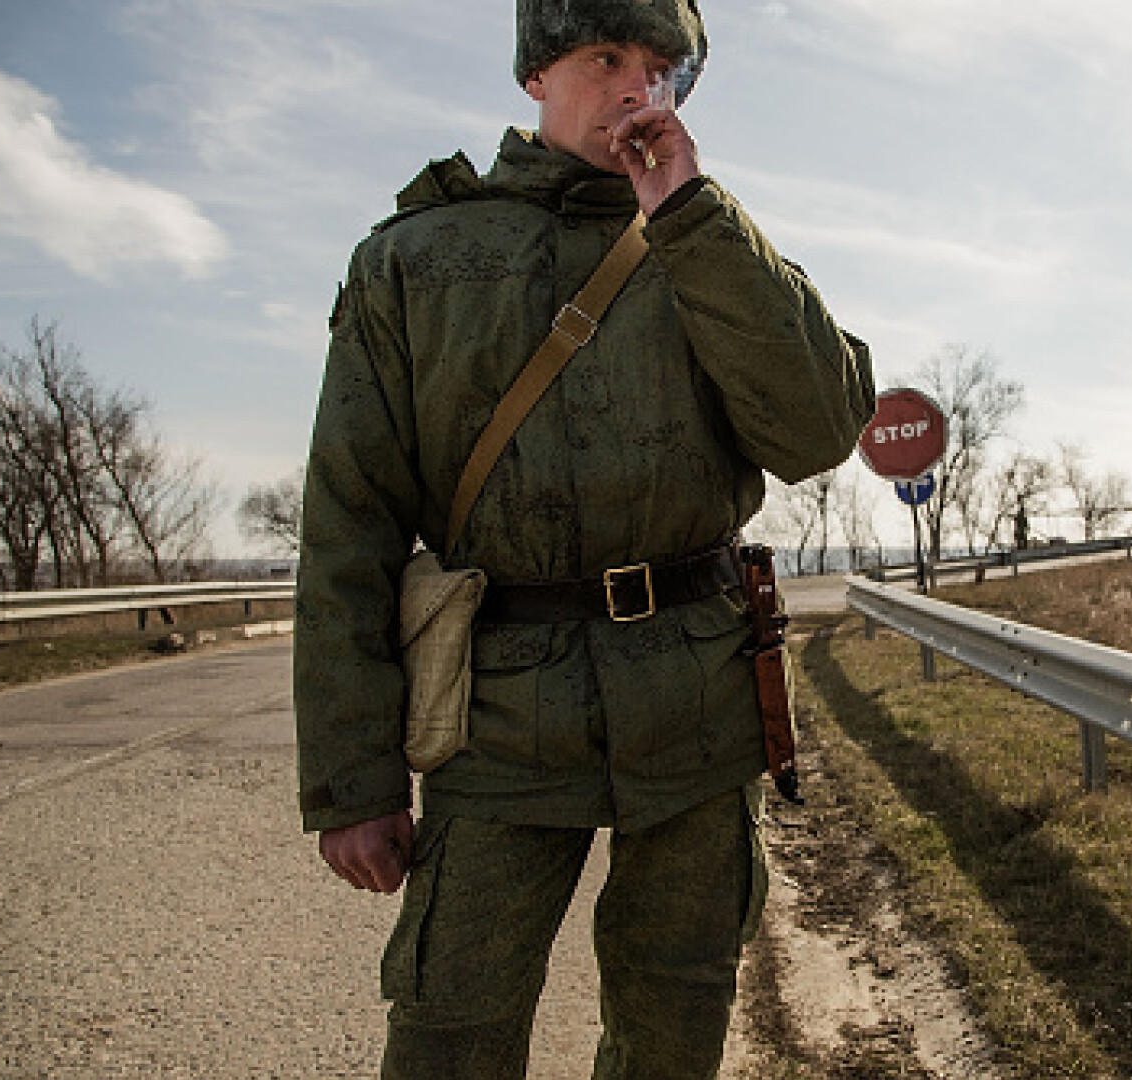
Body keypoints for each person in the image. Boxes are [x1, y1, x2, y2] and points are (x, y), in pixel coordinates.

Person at [291, 1, 875, 1076]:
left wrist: (693, 216)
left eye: (662, 70)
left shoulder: (704, 239)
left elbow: (819, 432)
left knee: (675, 1017)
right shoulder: (416, 261)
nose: (636, 91)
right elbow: (347, 522)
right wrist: (351, 778)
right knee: (450, 1021)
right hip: (501, 712)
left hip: (696, 701)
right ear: (536, 74)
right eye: (608, 57)